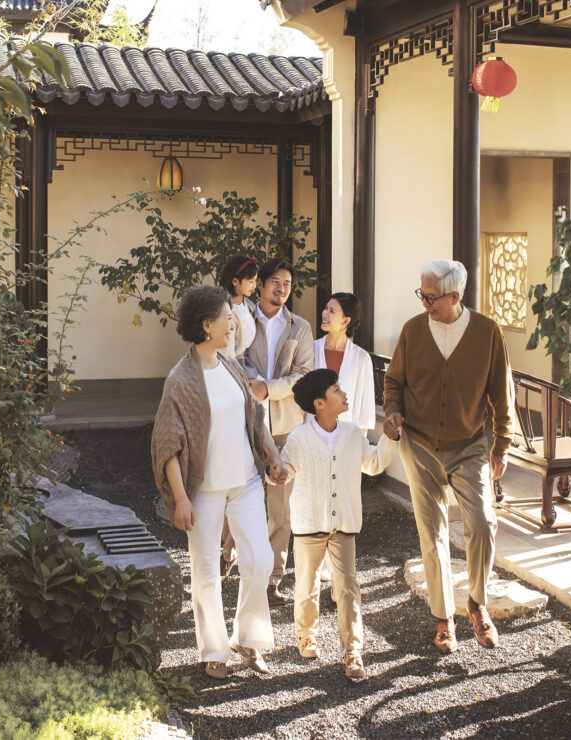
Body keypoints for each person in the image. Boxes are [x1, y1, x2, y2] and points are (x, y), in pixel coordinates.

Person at [152, 285, 288, 680]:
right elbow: (168, 446)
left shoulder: (231, 366)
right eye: (228, 316)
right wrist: (180, 498)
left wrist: (273, 457)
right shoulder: (180, 381)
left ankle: (247, 637)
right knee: (207, 572)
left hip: (245, 482)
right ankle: (214, 648)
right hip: (204, 491)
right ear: (207, 325)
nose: (234, 322)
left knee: (260, 561)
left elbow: (254, 417)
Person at [383, 259, 514, 654]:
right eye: (421, 295)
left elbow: (501, 394)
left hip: (470, 443)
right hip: (419, 443)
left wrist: (502, 445)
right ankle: (443, 620)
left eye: (431, 297)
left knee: (482, 522)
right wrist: (392, 411)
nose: (425, 303)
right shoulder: (412, 331)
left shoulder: (486, 332)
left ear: (455, 296)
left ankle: (476, 602)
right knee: (432, 533)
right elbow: (394, 380)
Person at [279, 369, 400, 680]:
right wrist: (275, 473)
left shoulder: (351, 434)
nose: (344, 393)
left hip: (344, 525)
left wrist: (389, 437)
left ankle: (353, 650)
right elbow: (285, 470)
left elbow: (372, 464)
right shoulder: (299, 438)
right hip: (308, 525)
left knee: (347, 586)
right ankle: (306, 634)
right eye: (336, 389)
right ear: (320, 403)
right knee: (306, 585)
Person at [242, 257, 315, 604]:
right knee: (241, 499)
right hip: (246, 424)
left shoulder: (300, 327)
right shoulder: (240, 319)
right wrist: (251, 386)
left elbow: (303, 375)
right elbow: (232, 359)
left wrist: (268, 388)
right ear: (260, 284)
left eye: (287, 283)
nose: (281, 288)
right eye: (275, 281)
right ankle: (235, 562)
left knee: (281, 509)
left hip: (286, 427)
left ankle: (272, 580)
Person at [313, 292, 375, 433]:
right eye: (326, 308)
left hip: (345, 440)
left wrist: (358, 449)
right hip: (311, 438)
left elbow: (364, 414)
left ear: (346, 321)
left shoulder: (361, 358)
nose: (324, 313)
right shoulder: (310, 350)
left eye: (332, 311)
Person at [218, 254, 259, 359]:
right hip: (233, 365)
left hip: (248, 360)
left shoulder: (249, 305)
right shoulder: (227, 312)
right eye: (251, 281)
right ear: (235, 281)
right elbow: (226, 353)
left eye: (255, 281)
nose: (254, 286)